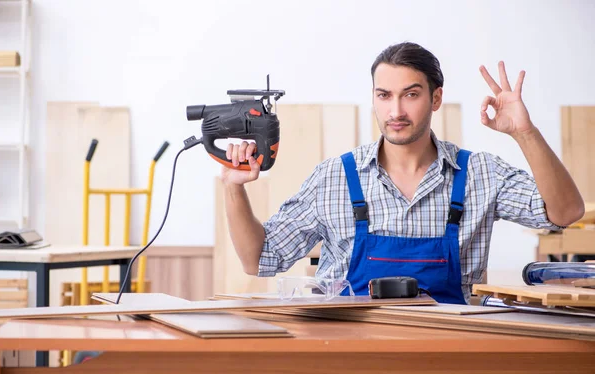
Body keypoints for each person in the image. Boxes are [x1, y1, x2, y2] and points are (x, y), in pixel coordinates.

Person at [220, 42, 584, 304]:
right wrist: (233, 187)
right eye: (384, 95)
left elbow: (565, 213)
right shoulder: (334, 177)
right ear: (374, 98)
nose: (395, 110)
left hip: (448, 358)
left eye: (411, 94)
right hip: (350, 361)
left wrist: (525, 132)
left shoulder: (479, 174)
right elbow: (260, 259)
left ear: (435, 98)